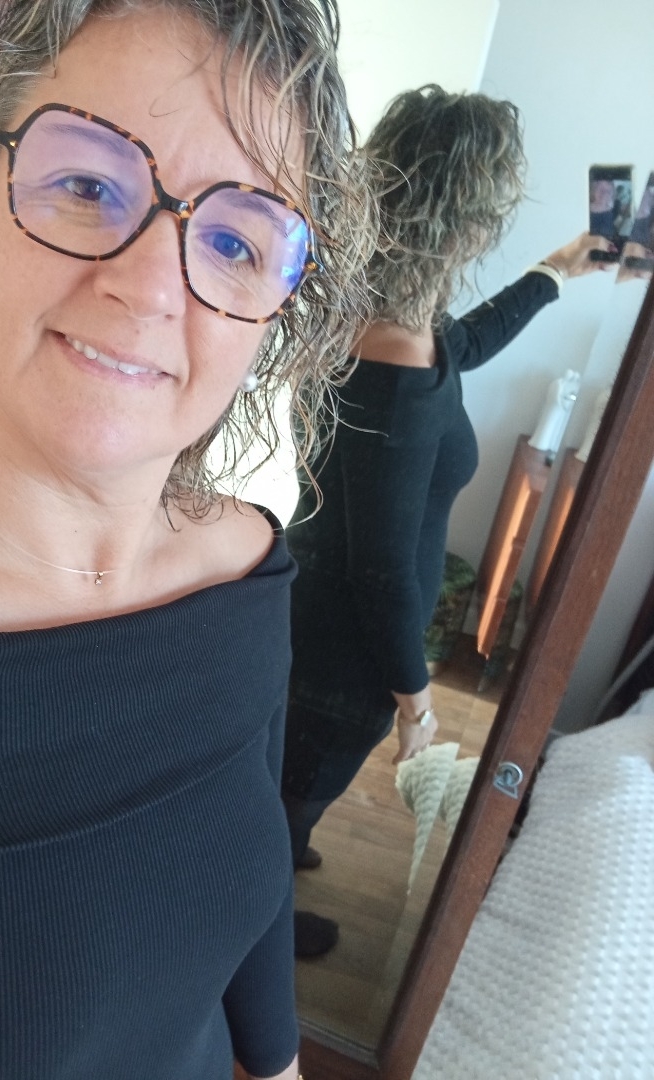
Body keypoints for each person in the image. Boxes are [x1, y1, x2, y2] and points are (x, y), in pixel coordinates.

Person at [0, 1, 375, 1077]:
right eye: (88, 187)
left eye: (233, 240)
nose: (146, 287)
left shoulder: (245, 566)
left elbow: (251, 903)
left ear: (270, 321)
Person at [281, 84, 613, 958]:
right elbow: (384, 573)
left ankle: (287, 838)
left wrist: (555, 271)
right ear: (467, 226)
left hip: (316, 619)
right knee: (292, 789)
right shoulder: (400, 368)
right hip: (344, 650)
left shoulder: (376, 319)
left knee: (291, 780)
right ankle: (260, 925)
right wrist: (416, 705)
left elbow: (458, 348)